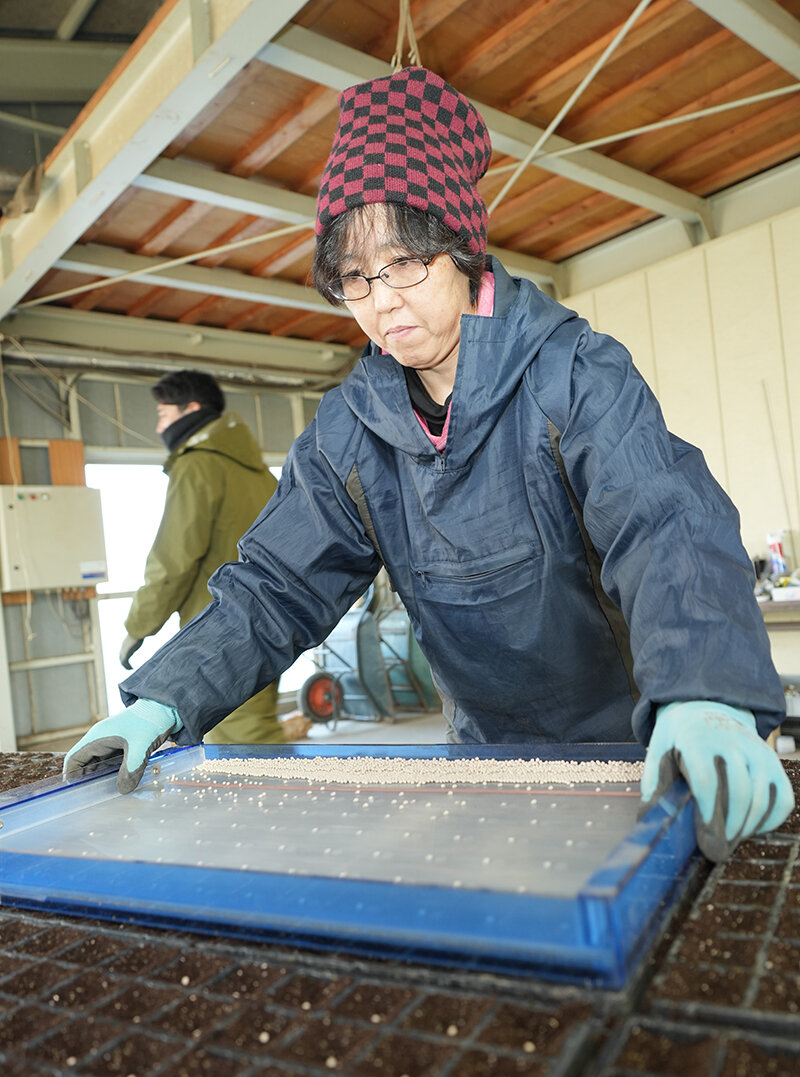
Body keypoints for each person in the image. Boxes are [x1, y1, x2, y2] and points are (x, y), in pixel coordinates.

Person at [65, 67, 792, 861]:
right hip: (483, 763)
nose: (381, 302)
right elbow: (276, 586)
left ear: (462, 248)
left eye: (404, 263)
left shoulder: (574, 374)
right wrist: (165, 697)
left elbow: (664, 522)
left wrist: (702, 690)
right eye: (354, 278)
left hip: (635, 751)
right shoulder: (350, 428)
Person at [118, 368, 285, 745]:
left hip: (219, 629)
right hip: (271, 622)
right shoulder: (259, 473)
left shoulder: (197, 465)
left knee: (243, 742)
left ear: (190, 409)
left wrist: (138, 626)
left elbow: (173, 559)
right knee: (256, 726)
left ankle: (284, 803)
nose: (159, 424)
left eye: (163, 413)